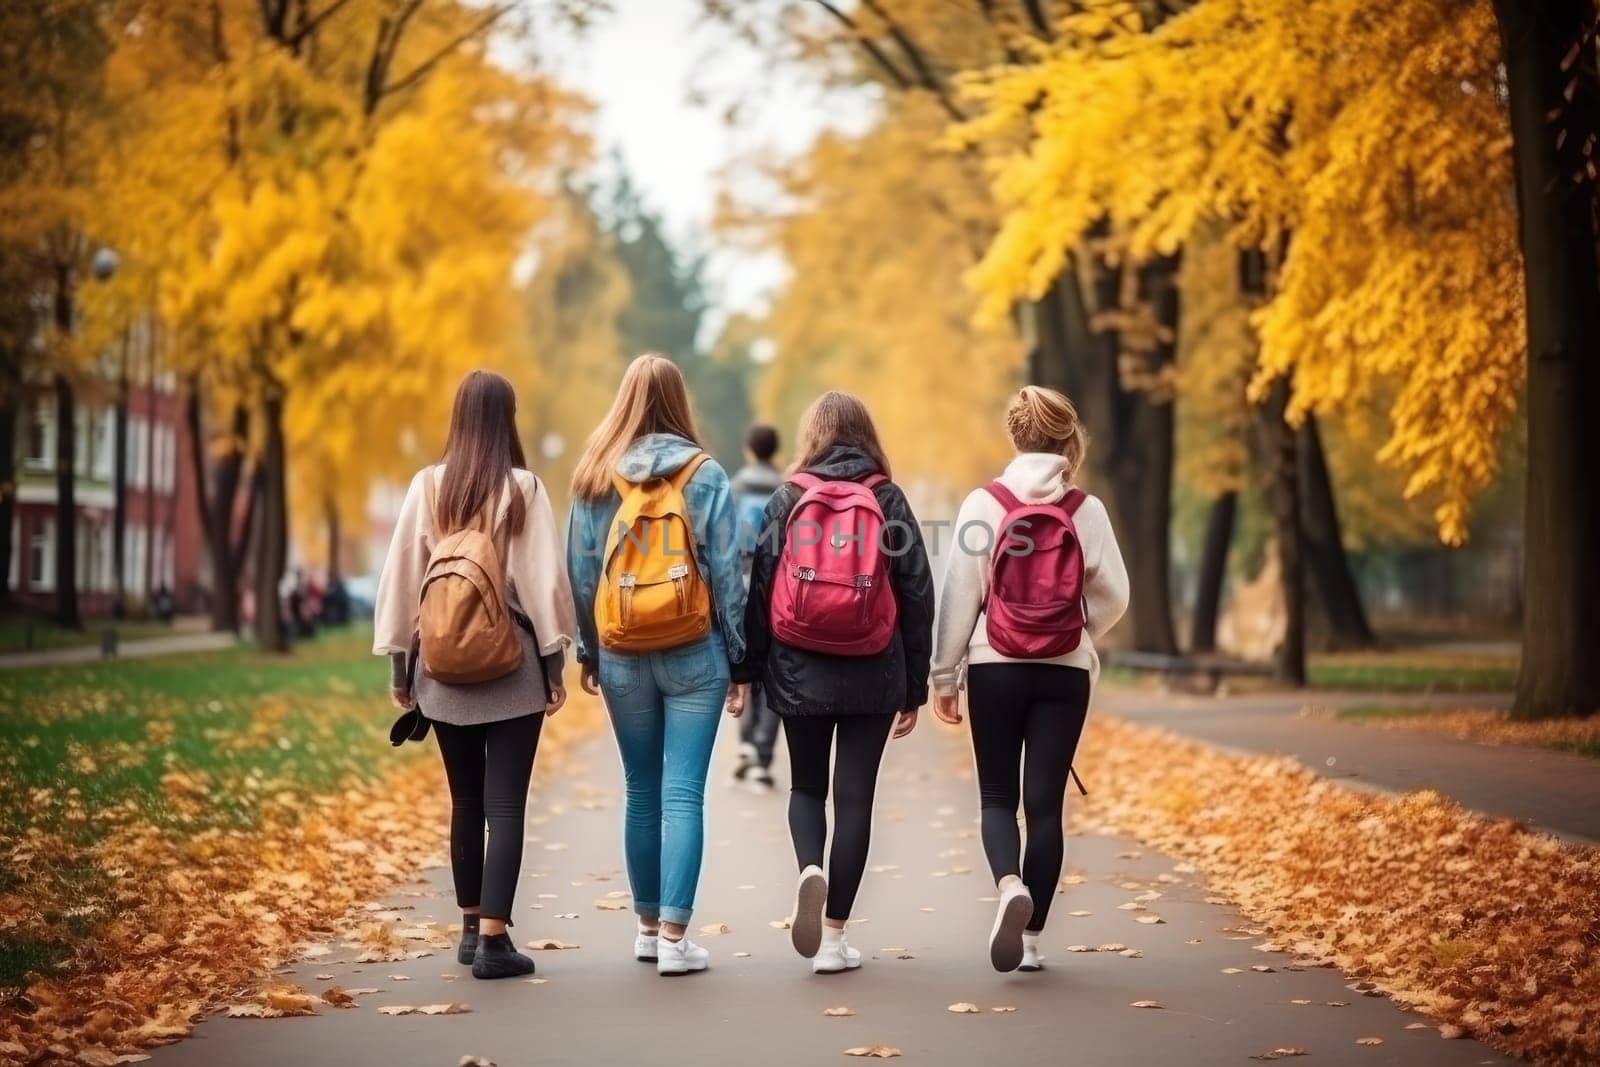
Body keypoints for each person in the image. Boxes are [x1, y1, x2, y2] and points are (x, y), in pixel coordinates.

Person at [374, 370, 576, 980]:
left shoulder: (427, 487)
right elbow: (543, 583)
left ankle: (468, 929)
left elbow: (404, 579)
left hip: (441, 668)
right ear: (507, 419)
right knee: (505, 804)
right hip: (511, 664)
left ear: (458, 418)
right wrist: (553, 664)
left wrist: (401, 667)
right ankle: (494, 941)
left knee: (465, 799)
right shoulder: (524, 488)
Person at [930, 386, 1129, 973]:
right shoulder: (1086, 510)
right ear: (1068, 440)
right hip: (1065, 671)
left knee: (997, 796)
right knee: (1045, 807)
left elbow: (960, 594)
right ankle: (1035, 939)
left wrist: (945, 676)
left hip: (995, 666)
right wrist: (1076, 624)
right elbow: (1116, 595)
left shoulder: (983, 504)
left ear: (1014, 437)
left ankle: (1009, 884)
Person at [737, 391, 935, 975]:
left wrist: (748, 670)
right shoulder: (887, 498)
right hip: (875, 668)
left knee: (805, 789)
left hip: (799, 669)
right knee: (855, 801)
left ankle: (808, 869)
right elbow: (918, 593)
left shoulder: (787, 497)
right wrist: (916, 684)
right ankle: (833, 939)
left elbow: (760, 589)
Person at [566, 353, 747, 977]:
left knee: (640, 791)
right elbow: (726, 573)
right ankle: (675, 938)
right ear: (679, 401)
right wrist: (739, 658)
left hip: (620, 652)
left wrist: (590, 650)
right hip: (696, 650)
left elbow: (580, 574)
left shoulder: (593, 476)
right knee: (683, 793)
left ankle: (646, 929)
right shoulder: (706, 474)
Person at [729, 423, 784, 792]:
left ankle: (746, 741)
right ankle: (763, 753)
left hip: (742, 584)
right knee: (774, 672)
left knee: (743, 665)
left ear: (749, 450)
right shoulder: (786, 487)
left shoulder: (734, 488)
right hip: (778, 588)